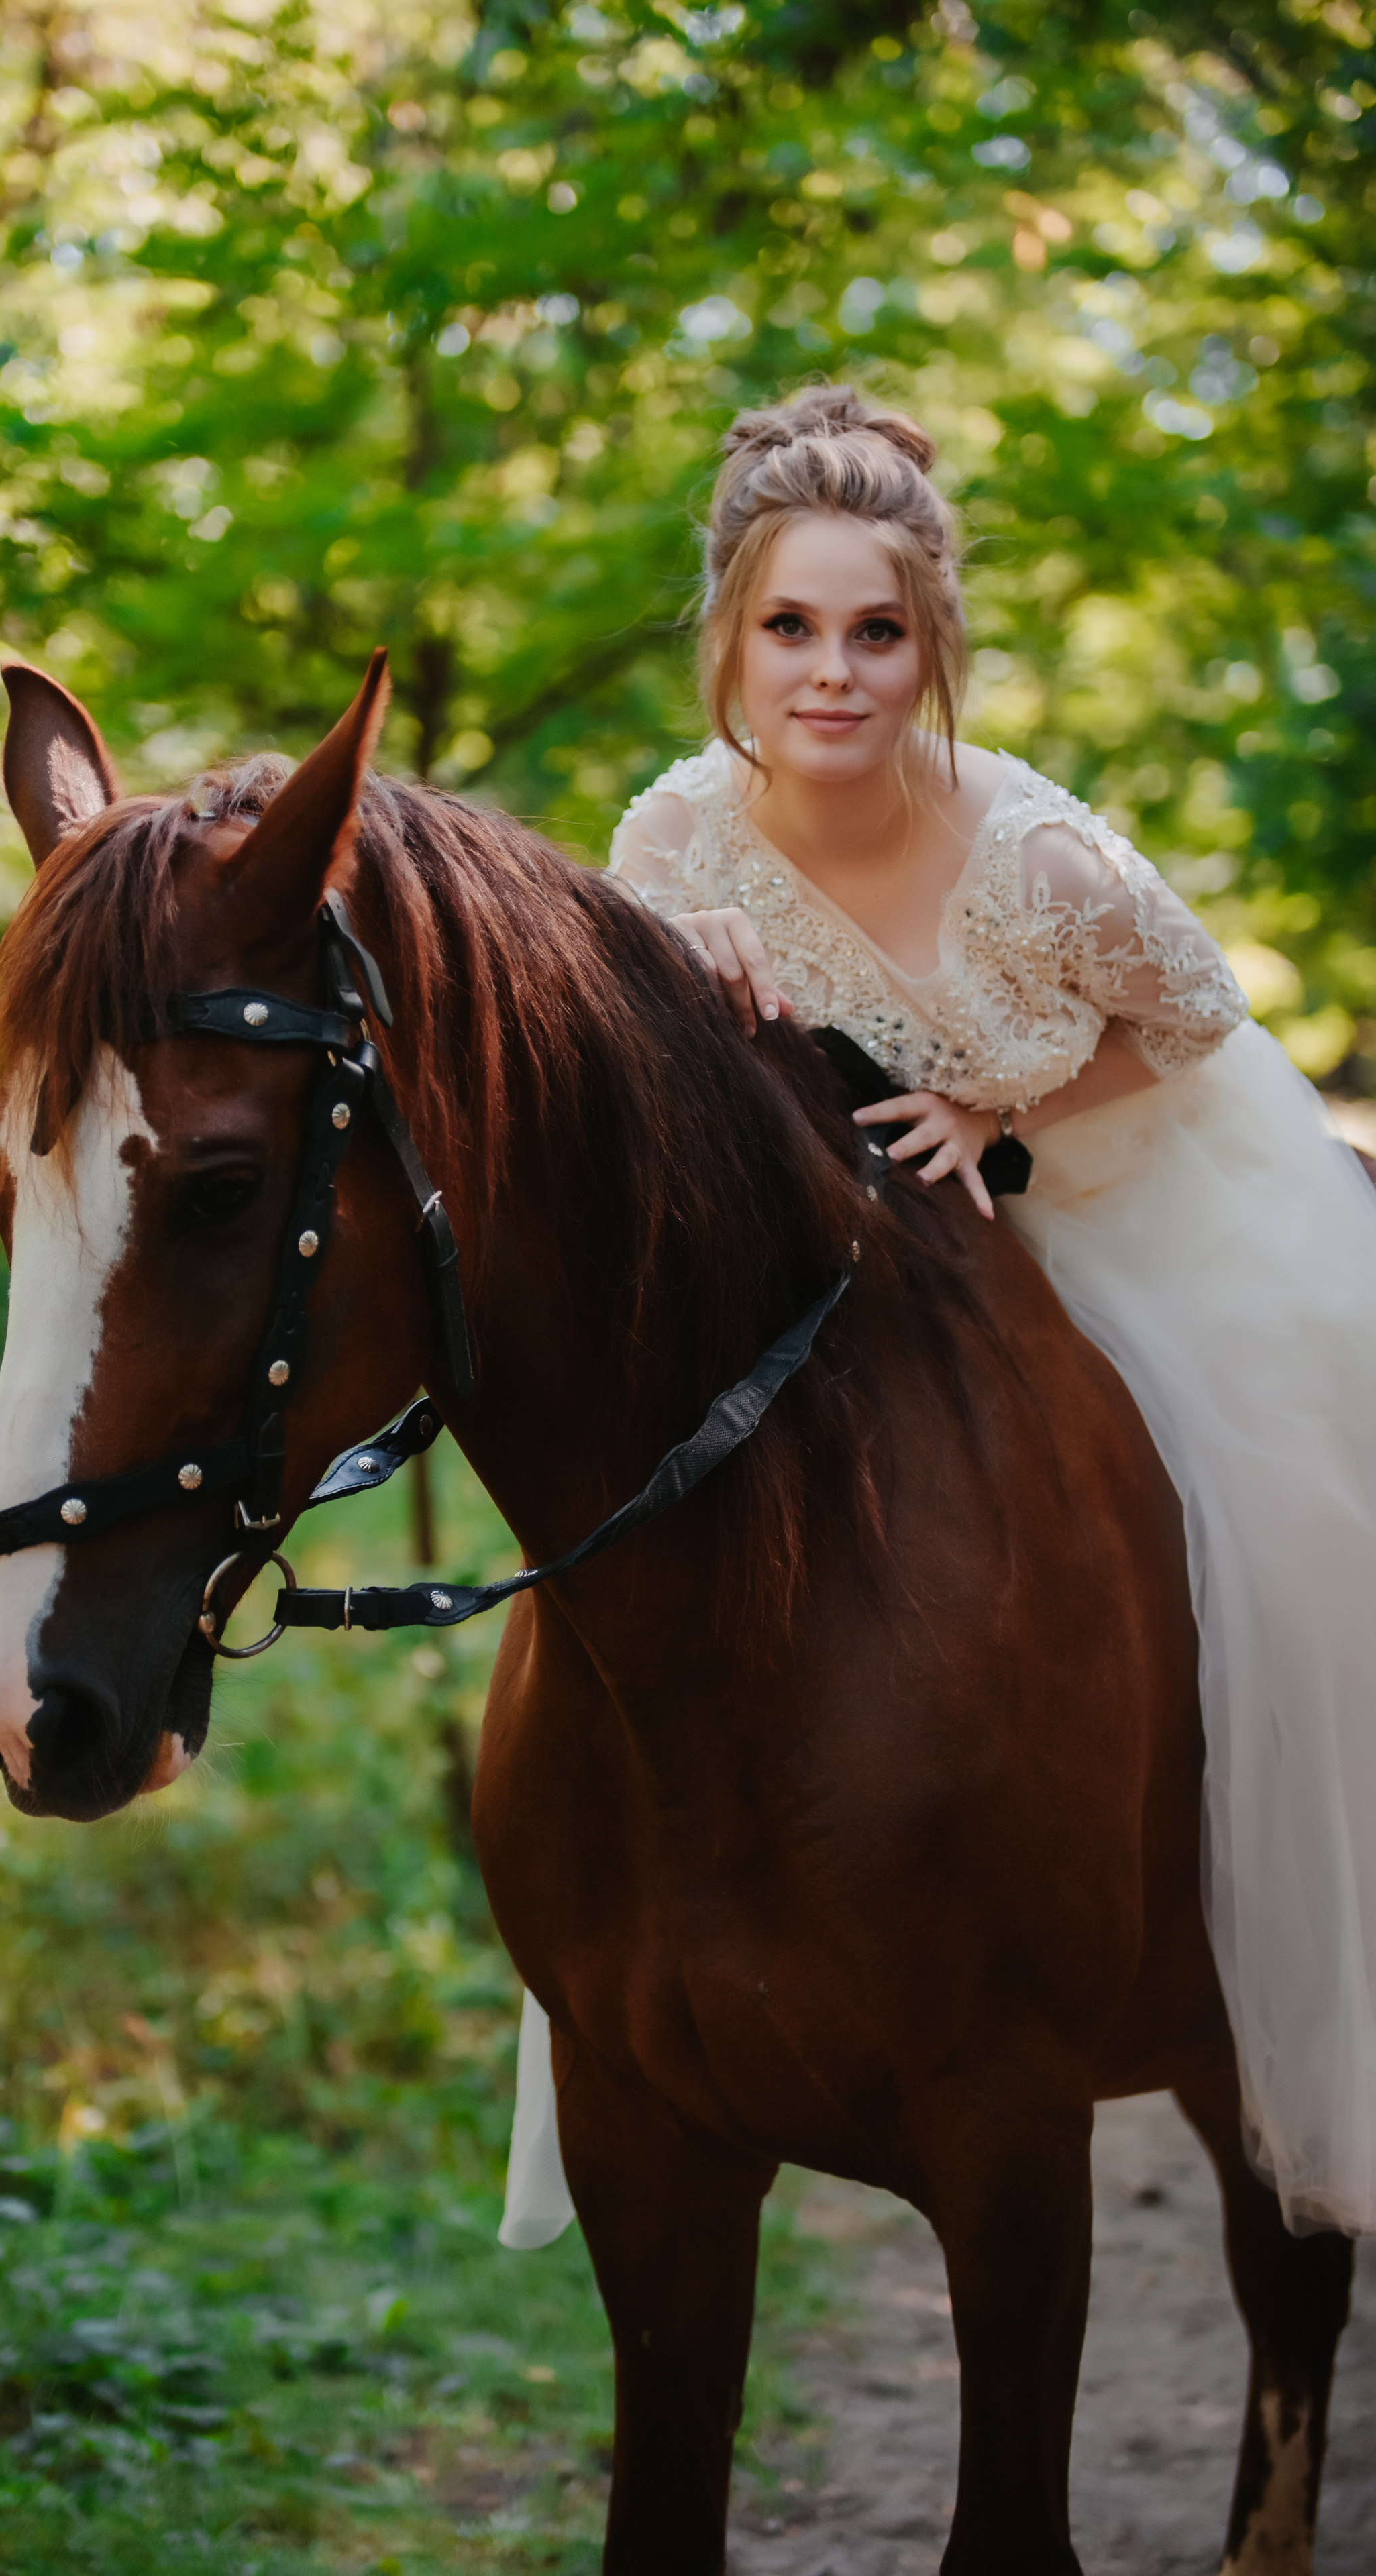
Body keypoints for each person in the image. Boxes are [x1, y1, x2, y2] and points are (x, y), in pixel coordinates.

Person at [500, 380, 1376, 2251]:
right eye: (792, 629)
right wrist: (676, 981)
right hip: (859, 1283)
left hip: (1119, 1215)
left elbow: (1195, 1025)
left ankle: (1283, 1923)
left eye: (877, 632)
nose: (835, 674)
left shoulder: (1039, 857)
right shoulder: (670, 841)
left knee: (1290, 1527)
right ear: (734, 643)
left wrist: (1001, 1109)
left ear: (932, 645)